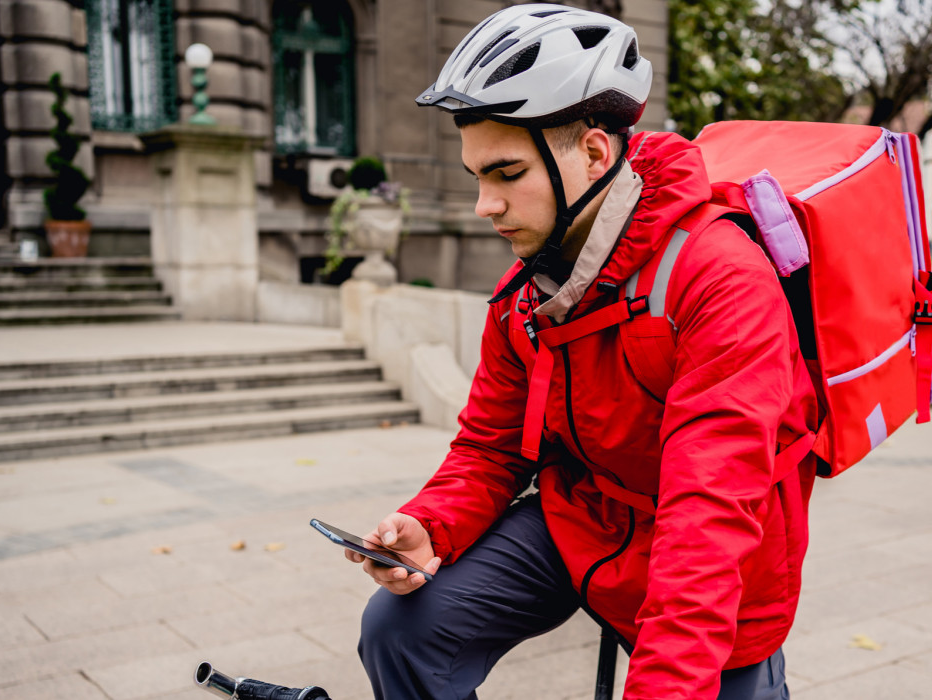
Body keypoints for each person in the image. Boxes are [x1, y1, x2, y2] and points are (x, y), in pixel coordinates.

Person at [348, 5, 817, 699]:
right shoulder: (525, 291)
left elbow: (709, 513)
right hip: (585, 519)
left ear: (595, 154)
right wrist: (430, 526)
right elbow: (490, 445)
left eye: (506, 174)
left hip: (718, 554)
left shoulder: (720, 276)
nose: (484, 204)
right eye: (477, 175)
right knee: (401, 627)